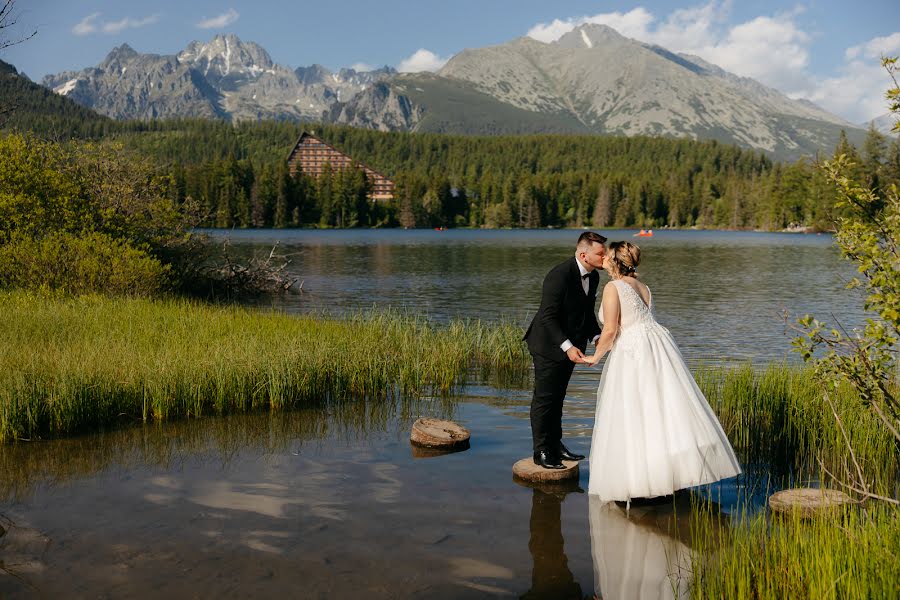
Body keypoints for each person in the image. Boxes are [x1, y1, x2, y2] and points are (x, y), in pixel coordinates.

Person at [585, 241, 741, 502]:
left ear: (614, 261)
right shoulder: (644, 287)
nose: (603, 261)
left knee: (634, 412)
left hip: (633, 353)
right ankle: (665, 476)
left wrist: (595, 357)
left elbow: (612, 330)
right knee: (660, 411)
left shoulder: (613, 287)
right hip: (656, 347)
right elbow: (630, 323)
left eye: (607, 257)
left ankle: (640, 481)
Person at [524, 232, 607, 469]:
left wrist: (596, 336)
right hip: (547, 345)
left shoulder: (593, 277)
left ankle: (555, 445)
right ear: (584, 254)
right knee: (544, 399)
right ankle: (541, 451)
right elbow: (547, 317)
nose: (605, 257)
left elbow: (586, 313)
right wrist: (568, 346)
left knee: (558, 397)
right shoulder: (558, 275)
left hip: (570, 347)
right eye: (600, 253)